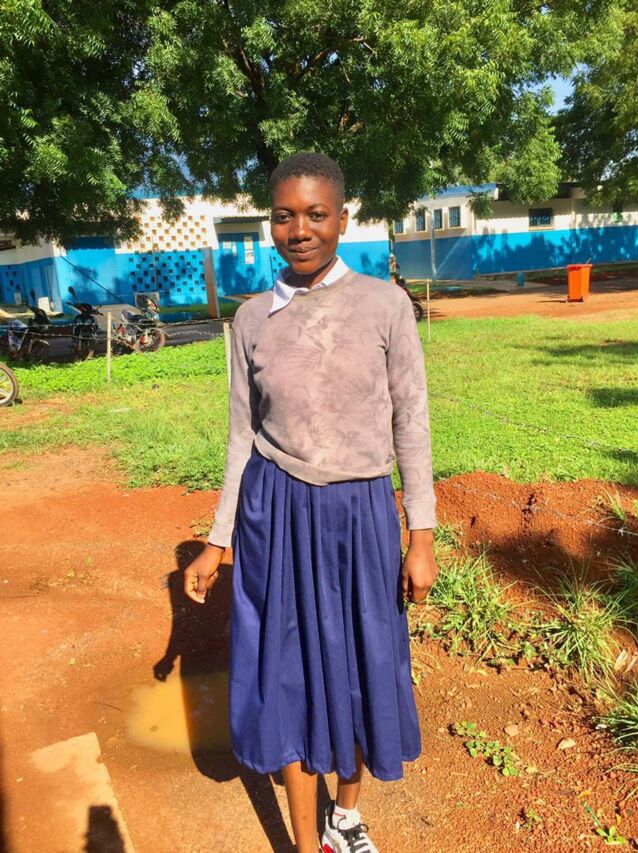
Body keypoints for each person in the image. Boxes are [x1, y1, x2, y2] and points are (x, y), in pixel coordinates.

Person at [184, 152, 439, 853]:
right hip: (276, 517)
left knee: (363, 663)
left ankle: (344, 817)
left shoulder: (384, 305)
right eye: (284, 216)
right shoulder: (251, 319)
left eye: (316, 214)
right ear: (270, 223)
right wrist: (217, 539)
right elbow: (241, 436)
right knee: (289, 675)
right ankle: (305, 843)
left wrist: (420, 535)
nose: (300, 230)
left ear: (342, 220)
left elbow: (412, 422)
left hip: (359, 516)